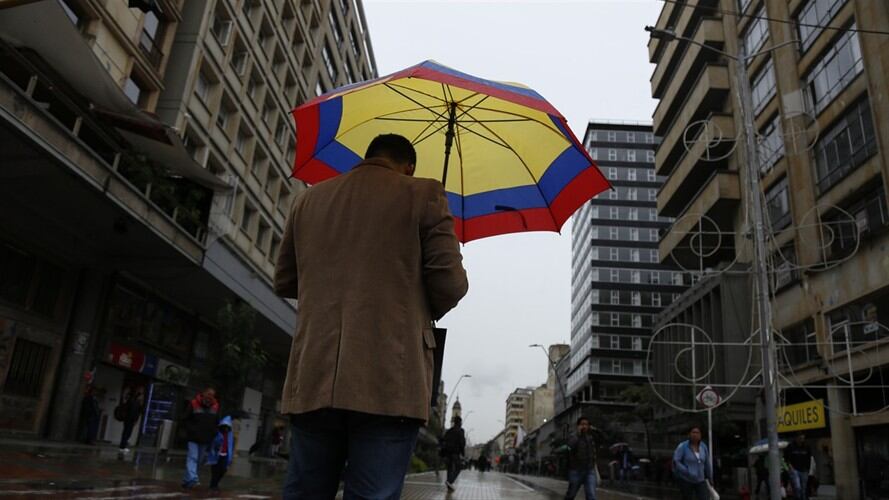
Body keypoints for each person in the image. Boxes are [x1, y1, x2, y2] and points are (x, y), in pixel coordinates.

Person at [275, 134, 469, 500]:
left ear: (367, 156)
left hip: (314, 372)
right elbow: (450, 285)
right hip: (388, 379)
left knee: (305, 491)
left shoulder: (309, 199)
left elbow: (285, 280)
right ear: (409, 166)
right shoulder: (425, 194)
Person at [181, 387, 220, 489]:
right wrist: (190, 430)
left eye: (212, 395)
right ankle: (193, 478)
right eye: (208, 394)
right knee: (192, 457)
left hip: (206, 439)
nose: (210, 396)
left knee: (199, 460)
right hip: (193, 437)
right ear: (203, 393)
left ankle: (187, 480)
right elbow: (185, 418)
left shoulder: (215, 407)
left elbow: (216, 422)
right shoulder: (194, 403)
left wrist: (214, 433)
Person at [560, 416, 598, 500]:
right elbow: (569, 447)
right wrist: (578, 435)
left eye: (586, 424)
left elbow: (603, 439)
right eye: (582, 424)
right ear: (578, 426)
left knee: (591, 495)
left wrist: (596, 430)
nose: (584, 426)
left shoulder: (591, 437)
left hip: (589, 470)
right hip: (576, 471)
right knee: (571, 494)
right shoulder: (573, 436)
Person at [672, 425, 712, 500]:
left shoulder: (703, 447)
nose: (695, 434)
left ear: (700, 435)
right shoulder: (683, 446)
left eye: (697, 432)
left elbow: (707, 463)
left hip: (700, 480)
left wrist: (710, 477)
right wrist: (686, 471)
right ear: (689, 434)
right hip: (686, 479)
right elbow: (676, 460)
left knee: (704, 497)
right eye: (693, 432)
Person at [207, 416, 235, 491]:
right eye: (225, 426)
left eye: (227, 427)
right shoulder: (217, 433)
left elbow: (231, 444)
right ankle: (213, 485)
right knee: (215, 471)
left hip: (225, 454)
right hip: (216, 454)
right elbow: (213, 443)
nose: (226, 428)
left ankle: (215, 484)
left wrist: (231, 455)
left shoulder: (230, 434)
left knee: (223, 470)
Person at [440, 416, 466, 491]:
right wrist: (462, 453)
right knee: (458, 468)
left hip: (448, 453)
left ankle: (449, 486)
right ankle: (450, 481)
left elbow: (443, 440)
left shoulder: (449, 430)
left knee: (449, 468)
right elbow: (462, 443)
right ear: (460, 422)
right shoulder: (461, 431)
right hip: (455, 453)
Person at [785, 434, 812, 500]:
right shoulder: (791, 446)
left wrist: (808, 469)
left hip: (804, 470)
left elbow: (809, 458)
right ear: (796, 438)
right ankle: (798, 498)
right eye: (800, 438)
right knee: (797, 487)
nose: (801, 440)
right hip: (794, 469)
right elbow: (786, 458)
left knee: (803, 488)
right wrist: (790, 467)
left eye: (803, 438)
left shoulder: (806, 446)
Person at [117, 388, 143, 452]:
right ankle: (123, 446)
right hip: (129, 419)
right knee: (127, 432)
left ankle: (123, 445)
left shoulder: (134, 402)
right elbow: (134, 412)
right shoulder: (135, 402)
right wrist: (134, 420)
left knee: (127, 432)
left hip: (129, 419)